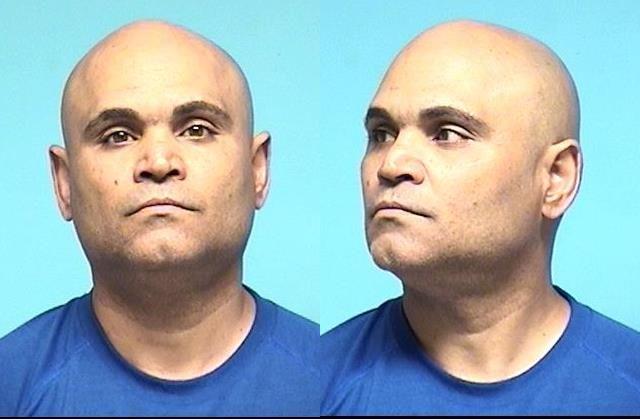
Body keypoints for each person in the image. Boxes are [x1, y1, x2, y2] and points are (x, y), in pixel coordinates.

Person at [0, 20, 319, 416]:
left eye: (197, 130)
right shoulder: (10, 386)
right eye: (118, 135)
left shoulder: (327, 380)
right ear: (64, 183)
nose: (159, 161)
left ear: (257, 169)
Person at [321, 20, 640, 415]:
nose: (391, 164)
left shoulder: (627, 389)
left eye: (447, 133)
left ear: (556, 178)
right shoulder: (312, 388)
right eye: (382, 134)